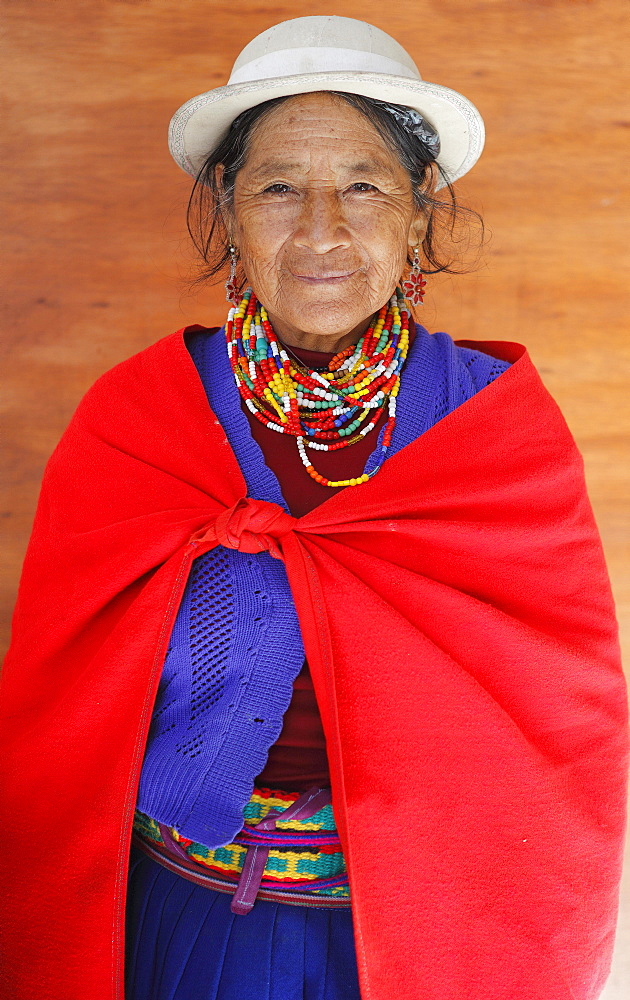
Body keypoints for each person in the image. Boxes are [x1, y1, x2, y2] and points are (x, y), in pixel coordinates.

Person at [0, 15, 627, 1000]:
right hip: (180, 930)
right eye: (279, 185)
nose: (323, 228)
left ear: (418, 213)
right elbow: (59, 720)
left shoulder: (492, 434)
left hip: (412, 950)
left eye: (365, 185)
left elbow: (562, 735)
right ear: (230, 210)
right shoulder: (137, 421)